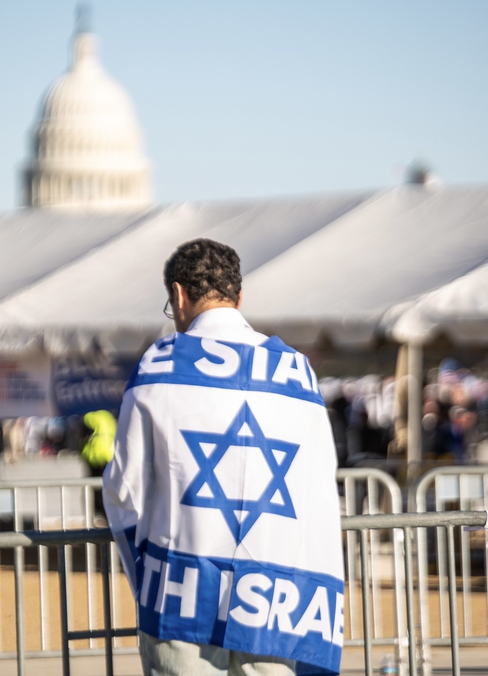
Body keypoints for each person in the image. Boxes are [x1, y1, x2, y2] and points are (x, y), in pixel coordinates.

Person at [103, 239, 345, 676]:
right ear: (239, 296)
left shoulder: (159, 366)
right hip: (277, 598)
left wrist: (146, 574)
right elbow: (319, 486)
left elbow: (124, 488)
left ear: (178, 295)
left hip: (181, 591)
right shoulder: (298, 372)